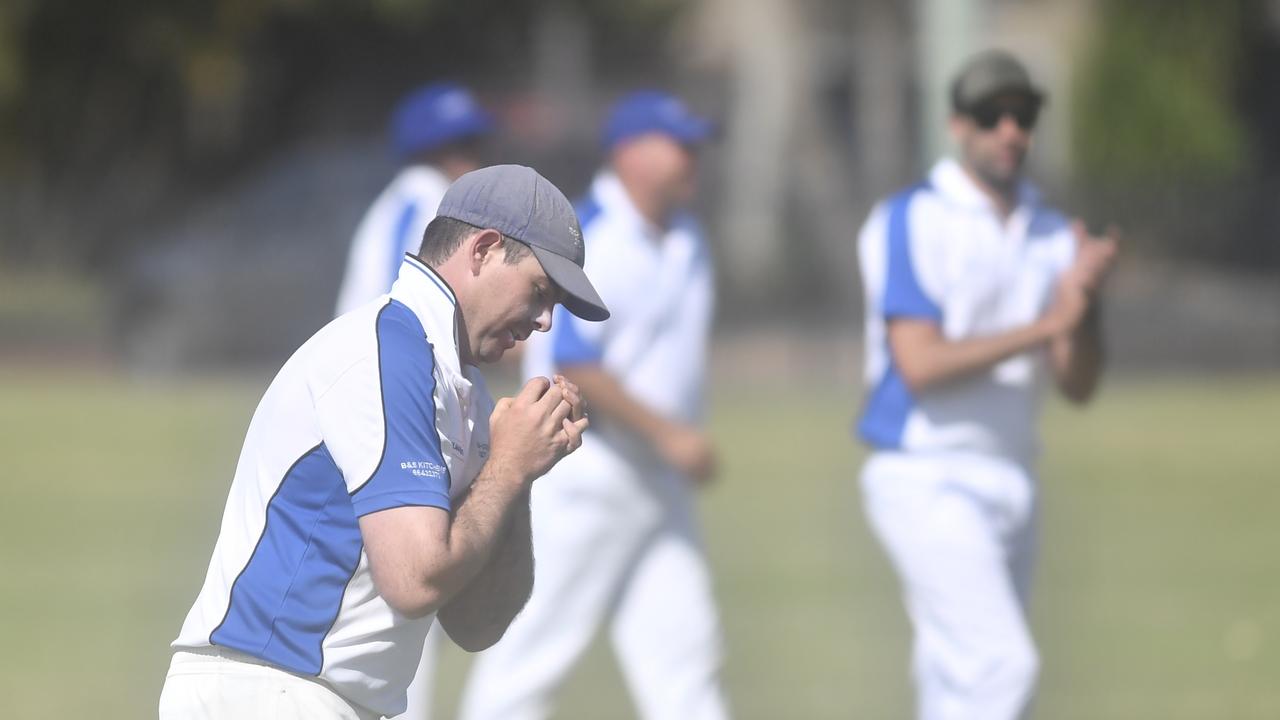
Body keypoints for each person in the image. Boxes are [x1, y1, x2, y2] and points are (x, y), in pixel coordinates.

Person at [159, 164, 610, 720]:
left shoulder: (459, 391)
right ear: (484, 250)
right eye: (540, 291)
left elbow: (478, 624)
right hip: (266, 690)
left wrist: (518, 477)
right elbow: (415, 580)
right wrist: (509, 466)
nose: (544, 322)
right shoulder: (387, 354)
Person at [854, 50, 1118, 720]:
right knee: (1002, 668)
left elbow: (1078, 385)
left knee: (956, 683)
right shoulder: (913, 217)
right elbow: (919, 362)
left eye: (1022, 114)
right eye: (991, 115)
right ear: (956, 124)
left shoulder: (1053, 232)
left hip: (1012, 473)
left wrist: (1082, 312)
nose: (1009, 130)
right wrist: (1045, 324)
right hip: (926, 473)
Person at [458, 91, 729, 720]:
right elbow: (575, 359)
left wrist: (670, 443)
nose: (693, 158)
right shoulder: (593, 235)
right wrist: (670, 435)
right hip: (590, 476)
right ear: (629, 152)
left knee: (687, 662)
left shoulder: (687, 236)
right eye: (678, 144)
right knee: (529, 660)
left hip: (659, 483)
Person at [335, 82, 494, 316]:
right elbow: (397, 297)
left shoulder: (414, 196)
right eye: (460, 146)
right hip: (380, 343)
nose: (474, 157)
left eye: (474, 143)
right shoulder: (424, 197)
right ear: (428, 150)